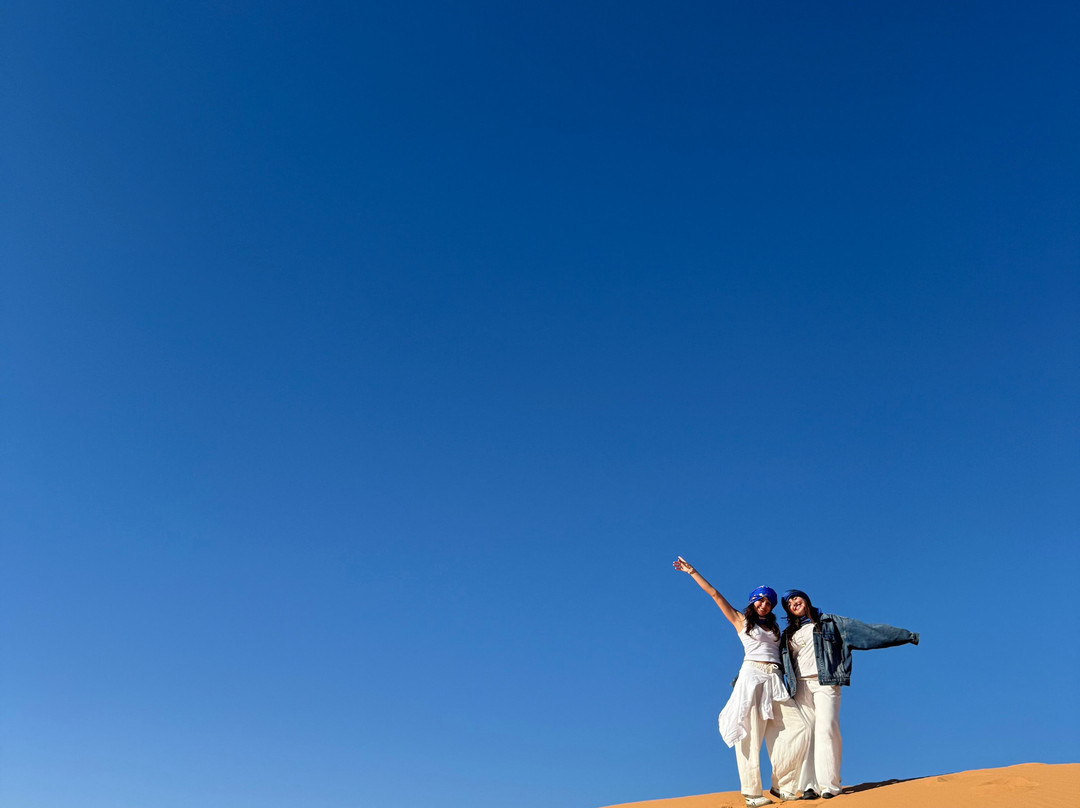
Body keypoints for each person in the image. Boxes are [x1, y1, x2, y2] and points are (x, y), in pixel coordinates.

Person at [673, 557, 809, 807]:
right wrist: (692, 571)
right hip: (752, 677)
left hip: (776, 679)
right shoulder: (741, 620)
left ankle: (782, 786)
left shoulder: (777, 629)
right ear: (752, 601)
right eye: (760, 599)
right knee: (750, 734)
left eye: (769, 601)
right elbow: (715, 595)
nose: (764, 604)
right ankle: (752, 793)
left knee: (798, 728)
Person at [779, 590, 919, 800]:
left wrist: (906, 636)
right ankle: (809, 785)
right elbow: (767, 659)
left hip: (825, 682)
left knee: (826, 728)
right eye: (788, 603)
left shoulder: (831, 623)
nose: (793, 602)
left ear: (806, 599)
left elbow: (869, 632)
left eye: (795, 597)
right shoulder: (788, 634)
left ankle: (829, 785)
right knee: (807, 734)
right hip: (799, 687)